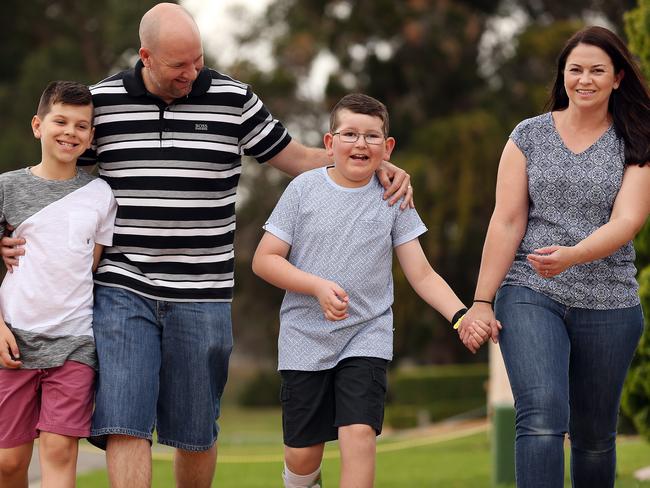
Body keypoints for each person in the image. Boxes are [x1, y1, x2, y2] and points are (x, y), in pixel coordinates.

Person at [1, 4, 413, 488]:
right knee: (124, 423)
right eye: (179, 65)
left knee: (196, 432)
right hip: (122, 286)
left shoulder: (233, 98)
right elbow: (57, 170)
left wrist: (364, 160)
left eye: (197, 60)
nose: (192, 73)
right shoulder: (103, 103)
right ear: (146, 56)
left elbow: (299, 157)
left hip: (204, 292)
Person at [252, 93, 492, 488]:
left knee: (359, 432)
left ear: (388, 146)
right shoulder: (302, 190)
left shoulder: (394, 198)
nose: (361, 144)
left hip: (366, 334)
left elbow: (423, 273)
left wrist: (460, 315)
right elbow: (265, 259)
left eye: (372, 136)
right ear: (330, 143)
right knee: (302, 453)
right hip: (303, 338)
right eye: (349, 134)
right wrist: (316, 286)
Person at [459, 26, 650, 487]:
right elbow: (506, 221)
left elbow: (627, 221)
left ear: (618, 78)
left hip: (611, 302)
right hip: (530, 289)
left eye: (597, 70)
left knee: (595, 437)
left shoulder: (637, 139)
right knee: (543, 417)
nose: (584, 79)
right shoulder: (528, 135)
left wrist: (574, 255)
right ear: (563, 75)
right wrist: (482, 300)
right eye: (575, 69)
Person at [0, 81, 117, 488]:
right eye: (61, 121)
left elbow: (91, 268)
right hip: (13, 338)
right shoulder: (6, 187)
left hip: (74, 342)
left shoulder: (101, 195)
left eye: (82, 126)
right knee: (9, 463)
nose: (71, 132)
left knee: (59, 450)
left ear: (90, 137)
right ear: (38, 125)